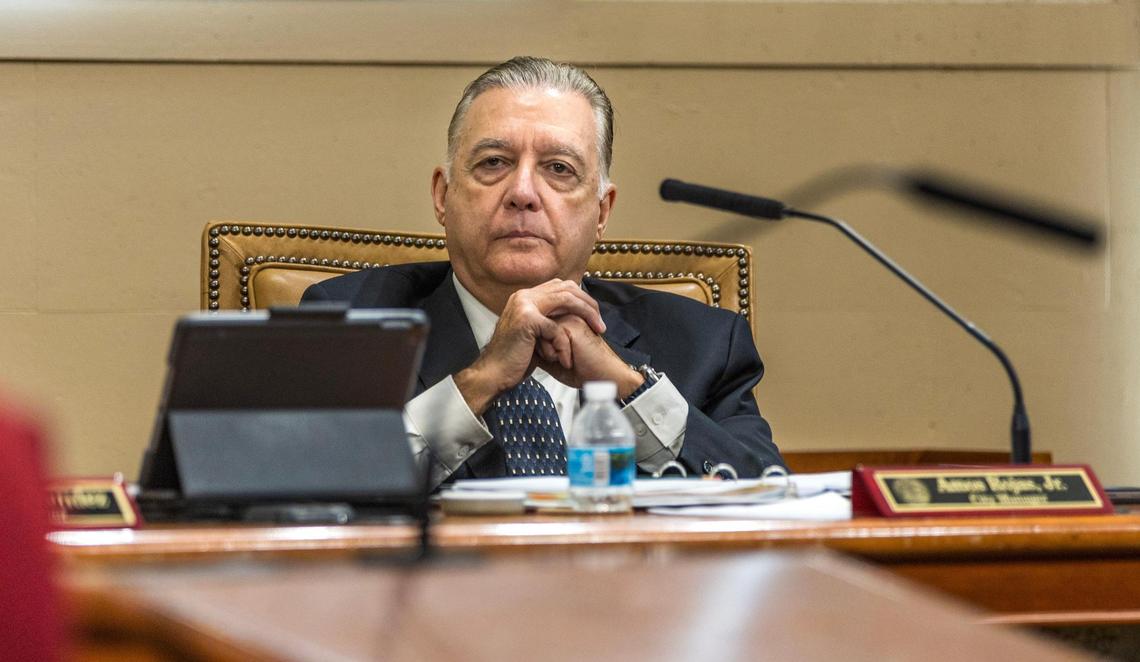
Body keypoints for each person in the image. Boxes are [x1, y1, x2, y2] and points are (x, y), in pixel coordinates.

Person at [303, 56, 783, 488]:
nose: (524, 192)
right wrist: (479, 381)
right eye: (494, 163)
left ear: (601, 211)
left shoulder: (703, 344)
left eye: (559, 168)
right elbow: (308, 492)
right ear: (442, 196)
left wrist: (626, 387)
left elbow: (769, 501)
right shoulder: (351, 324)